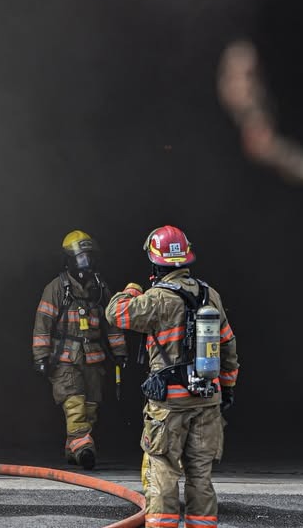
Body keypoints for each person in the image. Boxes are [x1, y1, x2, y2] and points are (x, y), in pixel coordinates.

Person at [106, 225, 238, 528]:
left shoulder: (156, 299)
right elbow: (229, 346)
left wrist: (130, 289)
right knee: (200, 475)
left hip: (169, 405)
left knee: (163, 470)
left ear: (156, 263)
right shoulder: (211, 295)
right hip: (207, 399)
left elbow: (116, 313)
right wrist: (227, 387)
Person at [32, 230, 128, 469]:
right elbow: (42, 324)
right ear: (69, 259)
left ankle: (72, 448)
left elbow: (111, 323)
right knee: (75, 406)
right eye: (80, 257)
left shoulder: (100, 288)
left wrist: (120, 352)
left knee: (90, 408)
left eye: (88, 257)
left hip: (93, 359)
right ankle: (84, 449)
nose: (85, 262)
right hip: (65, 359)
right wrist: (41, 357)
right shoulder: (56, 289)